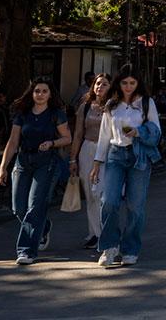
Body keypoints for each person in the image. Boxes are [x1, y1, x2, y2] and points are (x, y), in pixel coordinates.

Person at [90, 65, 161, 267]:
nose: (128, 87)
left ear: (138, 83)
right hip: (116, 155)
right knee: (109, 200)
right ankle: (110, 246)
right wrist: (97, 163)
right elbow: (104, 136)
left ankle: (130, 248)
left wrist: (138, 132)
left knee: (135, 206)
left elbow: (156, 131)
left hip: (138, 156)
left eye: (132, 83)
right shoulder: (112, 105)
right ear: (118, 84)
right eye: (124, 83)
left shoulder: (147, 103)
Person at [0, 78, 71, 265]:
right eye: (37, 91)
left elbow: (67, 138)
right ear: (32, 93)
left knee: (35, 206)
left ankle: (27, 251)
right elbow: (13, 142)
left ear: (50, 94)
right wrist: (3, 167)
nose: (40, 94)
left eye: (44, 91)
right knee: (18, 207)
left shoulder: (56, 114)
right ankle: (43, 226)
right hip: (23, 160)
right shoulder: (23, 114)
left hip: (46, 161)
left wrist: (52, 143)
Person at [70, 73, 110, 250]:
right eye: (97, 84)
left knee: (102, 195)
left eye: (104, 84)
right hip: (87, 148)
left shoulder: (114, 107)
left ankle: (106, 231)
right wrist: (72, 159)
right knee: (90, 193)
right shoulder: (85, 107)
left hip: (107, 151)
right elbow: (78, 134)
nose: (100, 87)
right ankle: (94, 233)